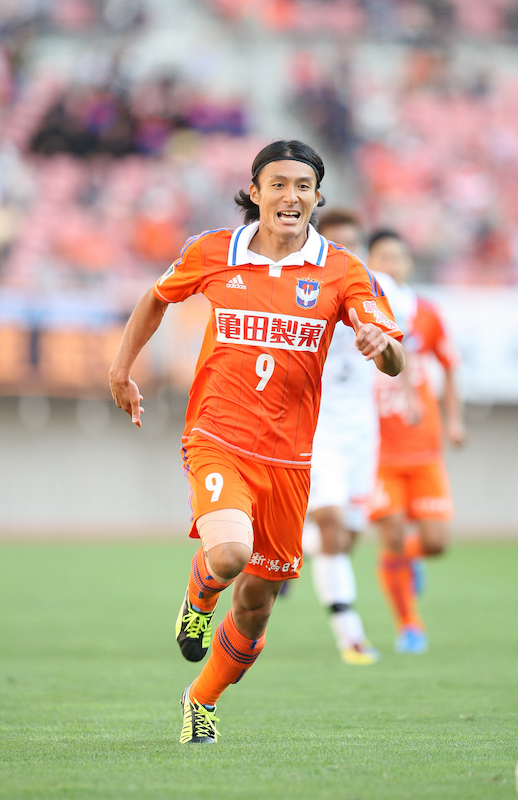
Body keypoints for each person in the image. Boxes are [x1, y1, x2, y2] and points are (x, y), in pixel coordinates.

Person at [109, 140, 405, 744]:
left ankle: (200, 699)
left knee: (257, 605)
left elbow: (394, 355)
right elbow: (155, 298)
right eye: (278, 184)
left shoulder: (343, 269)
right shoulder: (214, 250)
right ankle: (198, 601)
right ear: (255, 191)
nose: (290, 196)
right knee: (229, 554)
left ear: (317, 197)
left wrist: (382, 347)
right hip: (218, 435)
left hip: (290, 459)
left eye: (303, 186)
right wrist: (121, 369)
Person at [366, 229, 465, 654]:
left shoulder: (427, 313)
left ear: (408, 263)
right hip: (378, 452)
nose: (391, 265)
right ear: (369, 262)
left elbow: (451, 366)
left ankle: (409, 557)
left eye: (398, 257)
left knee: (436, 543)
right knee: (390, 533)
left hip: (424, 448)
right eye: (382, 257)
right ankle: (409, 624)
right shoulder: (359, 311)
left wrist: (455, 421)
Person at [304, 209, 382, 665]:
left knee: (350, 534)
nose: (345, 252)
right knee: (332, 522)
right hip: (319, 427)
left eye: (353, 243)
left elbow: (401, 347)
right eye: (337, 244)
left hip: (363, 431)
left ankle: (294, 550)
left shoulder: (377, 291)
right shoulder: (304, 290)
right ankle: (349, 633)